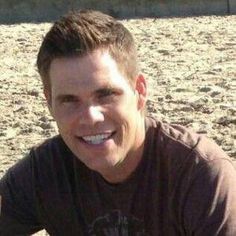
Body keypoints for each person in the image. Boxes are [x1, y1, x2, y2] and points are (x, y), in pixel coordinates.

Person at [0, 9, 236, 236]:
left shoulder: (198, 175)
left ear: (140, 91)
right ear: (49, 103)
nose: (91, 116)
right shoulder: (46, 173)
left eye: (106, 94)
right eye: (69, 100)